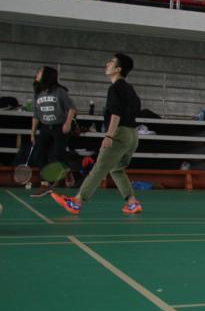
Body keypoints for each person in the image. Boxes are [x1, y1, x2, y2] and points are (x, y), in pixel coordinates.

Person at [52, 53, 143, 216]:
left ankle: (76, 202)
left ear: (118, 69)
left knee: (99, 168)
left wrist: (109, 136)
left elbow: (116, 114)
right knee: (116, 169)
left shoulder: (115, 88)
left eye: (111, 62)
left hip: (119, 133)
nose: (107, 64)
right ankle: (132, 203)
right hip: (132, 135)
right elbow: (136, 108)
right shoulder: (130, 89)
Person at [29, 66, 77, 197]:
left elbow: (72, 108)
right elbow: (35, 116)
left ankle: (66, 170)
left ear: (47, 75)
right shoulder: (37, 93)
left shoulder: (59, 91)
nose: (37, 73)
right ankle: (45, 185)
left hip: (59, 127)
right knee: (39, 156)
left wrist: (67, 123)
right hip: (45, 127)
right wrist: (32, 133)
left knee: (57, 156)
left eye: (40, 71)